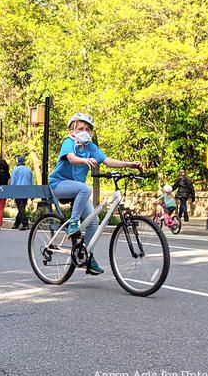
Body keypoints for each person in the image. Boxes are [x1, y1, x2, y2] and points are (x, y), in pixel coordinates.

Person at [49, 113, 141, 276]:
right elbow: (70, 158)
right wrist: (84, 160)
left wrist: (129, 164)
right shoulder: (68, 143)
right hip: (59, 184)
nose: (84, 131)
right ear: (73, 129)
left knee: (94, 221)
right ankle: (73, 224)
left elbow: (107, 161)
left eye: (87, 129)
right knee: (85, 188)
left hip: (78, 188)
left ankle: (86, 255)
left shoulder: (90, 147)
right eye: (81, 128)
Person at [11, 155, 33, 230]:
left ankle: (25, 224)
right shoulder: (28, 170)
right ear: (24, 162)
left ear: (18, 161)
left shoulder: (16, 170)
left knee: (20, 208)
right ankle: (16, 224)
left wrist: (11, 193)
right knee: (22, 207)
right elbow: (31, 182)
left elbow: (13, 182)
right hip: (26, 191)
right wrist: (31, 193)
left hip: (18, 190)